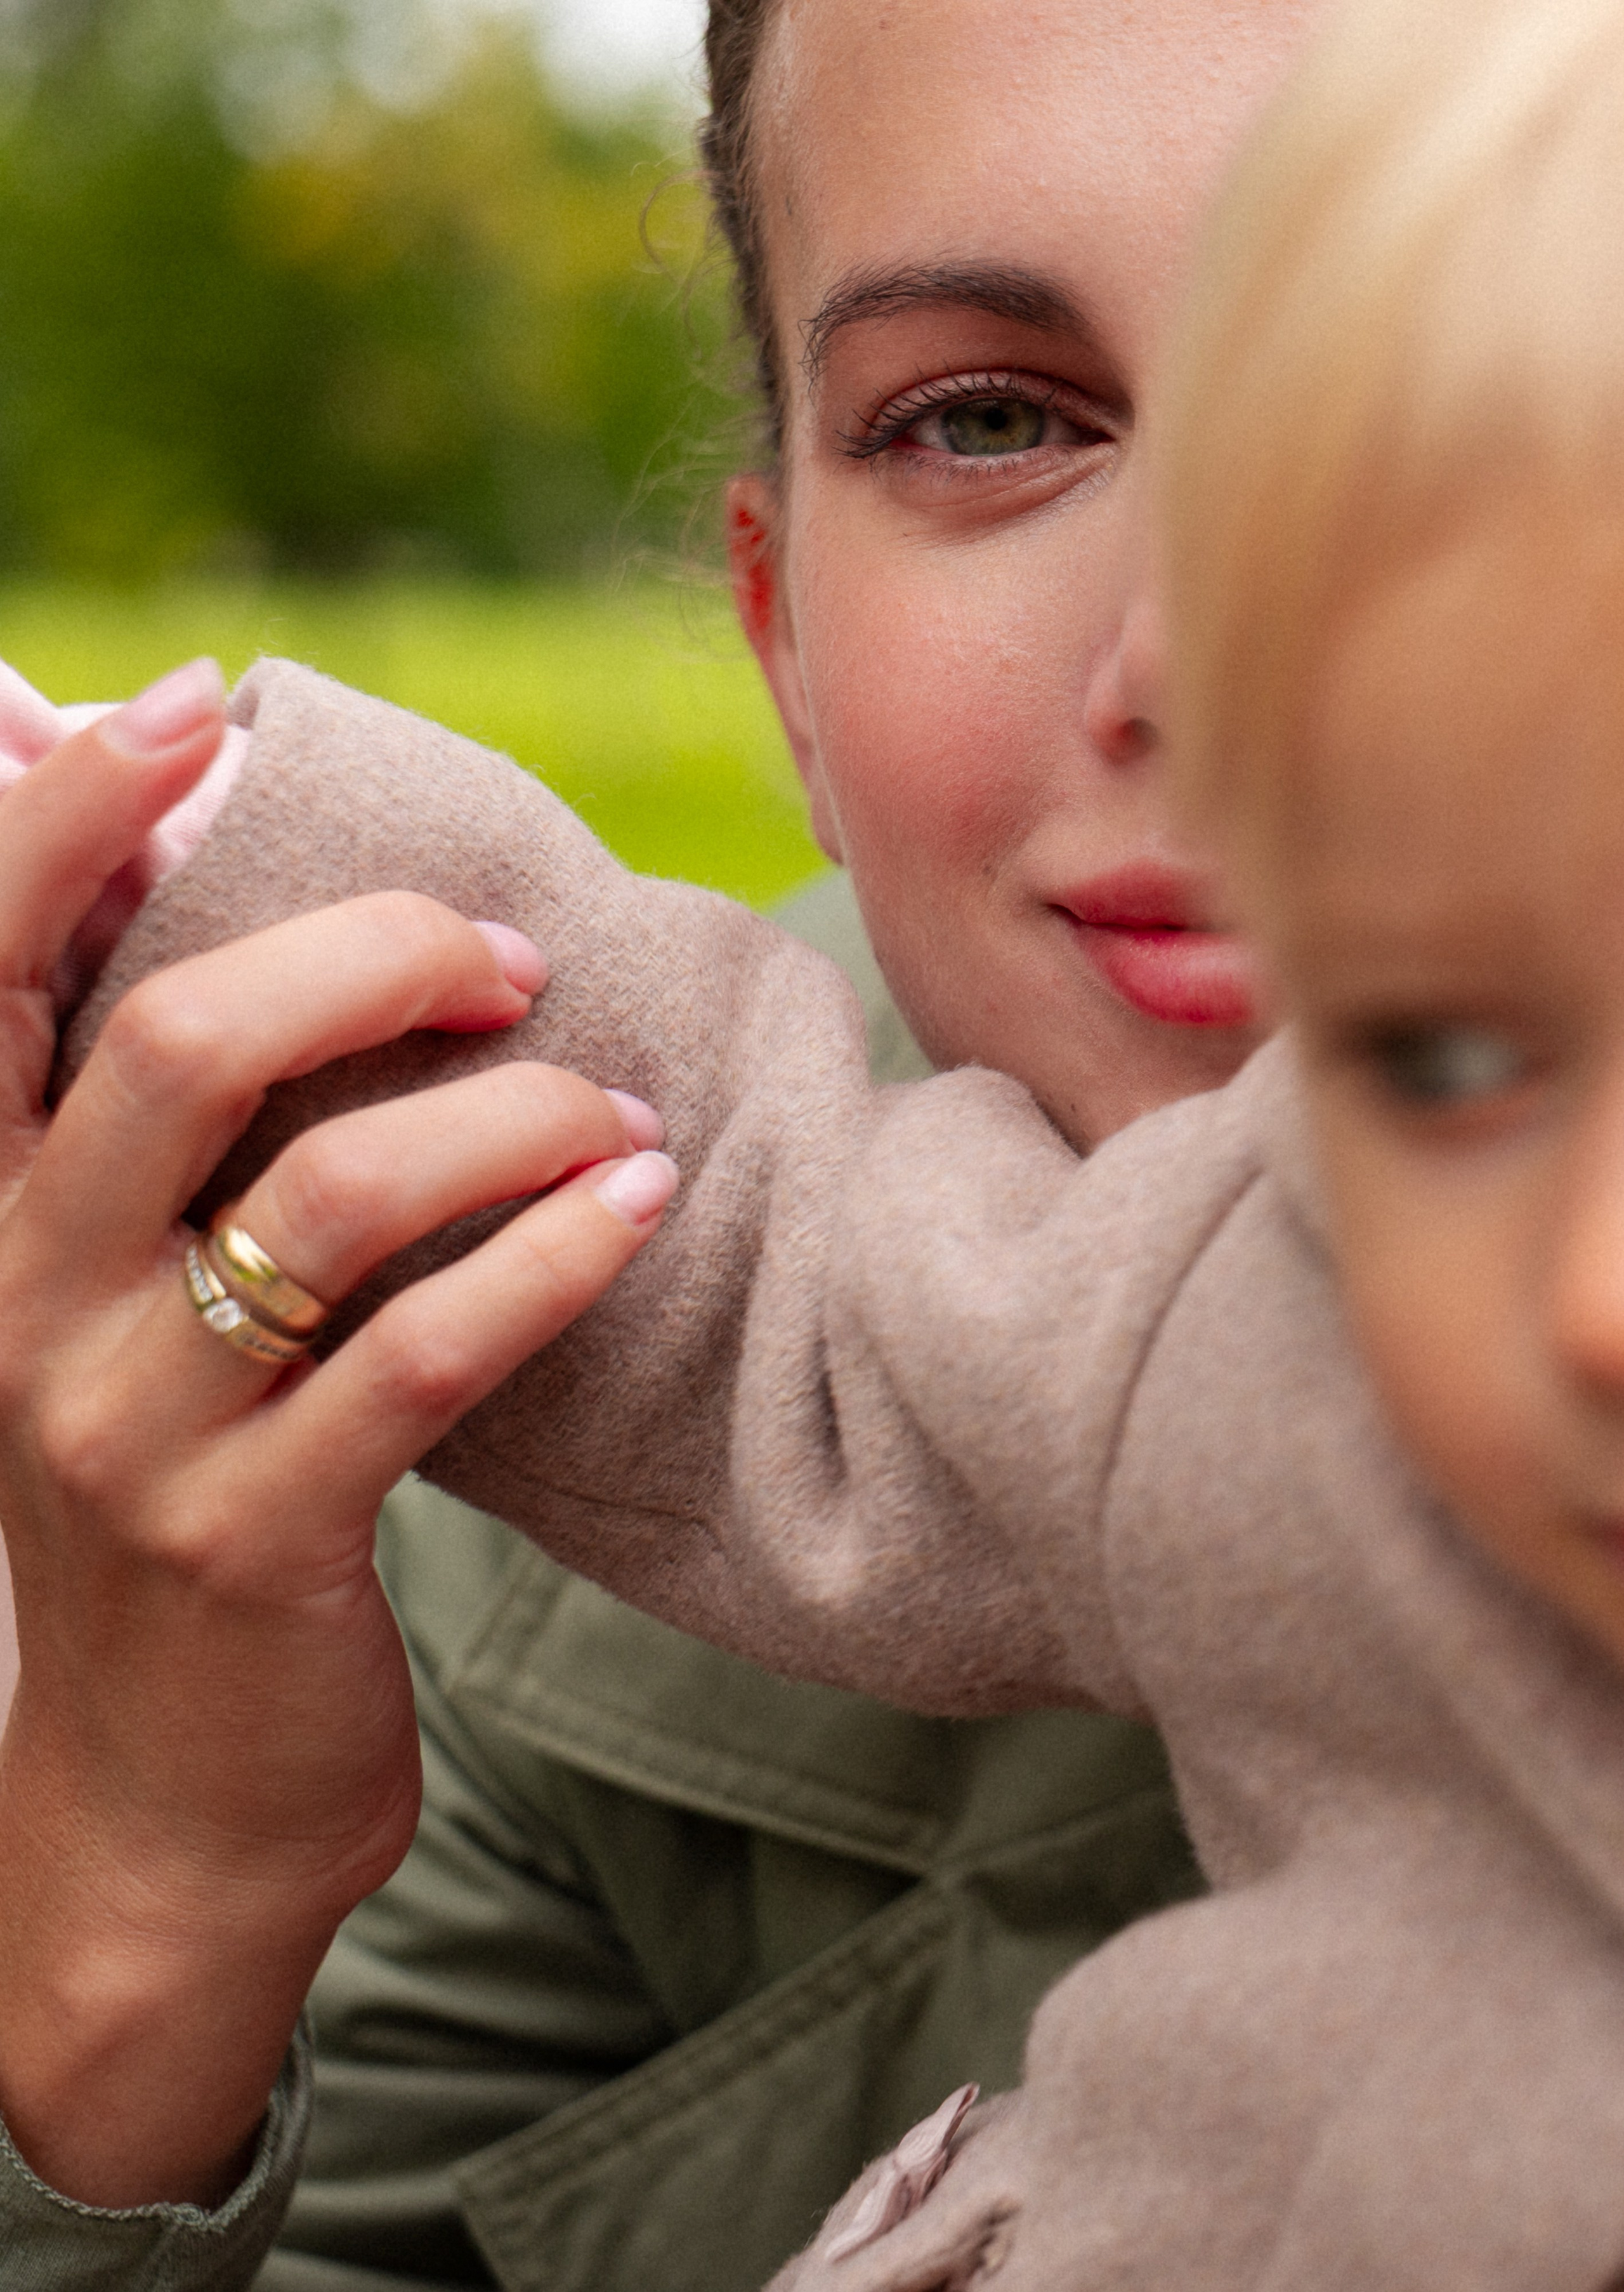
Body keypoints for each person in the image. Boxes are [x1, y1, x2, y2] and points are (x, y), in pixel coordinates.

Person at [51, 0, 1624, 2281]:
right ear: (787, 651)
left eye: (1460, 411)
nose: (1201, 649)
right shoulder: (497, 1418)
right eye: (990, 420)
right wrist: (136, 1920)